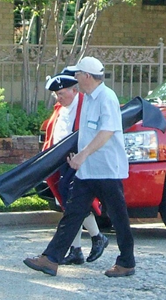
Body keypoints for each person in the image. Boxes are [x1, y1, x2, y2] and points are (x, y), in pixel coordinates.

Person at [23, 56, 135, 277]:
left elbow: (107, 132)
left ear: (86, 76)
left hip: (106, 169)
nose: (74, 78)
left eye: (77, 75)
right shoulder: (89, 98)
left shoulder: (106, 98)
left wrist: (82, 155)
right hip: (88, 169)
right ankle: (51, 259)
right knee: (73, 214)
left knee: (118, 216)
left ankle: (127, 262)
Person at [43, 68, 108, 266]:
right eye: (56, 95)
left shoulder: (85, 105)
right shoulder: (60, 109)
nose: (58, 98)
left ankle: (97, 237)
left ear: (73, 90)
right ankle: (76, 249)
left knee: (74, 202)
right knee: (69, 205)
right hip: (63, 162)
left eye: (61, 94)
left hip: (81, 162)